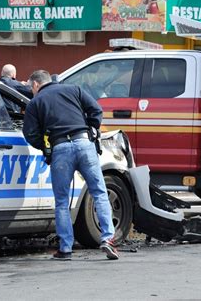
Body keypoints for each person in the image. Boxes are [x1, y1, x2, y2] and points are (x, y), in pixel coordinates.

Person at [22, 70, 118, 261]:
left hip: (60, 149)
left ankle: (65, 248)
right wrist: (92, 129)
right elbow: (96, 110)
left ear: (35, 85)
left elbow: (30, 133)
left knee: (62, 201)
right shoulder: (74, 89)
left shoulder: (36, 102)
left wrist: (45, 147)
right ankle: (108, 239)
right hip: (84, 144)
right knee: (99, 192)